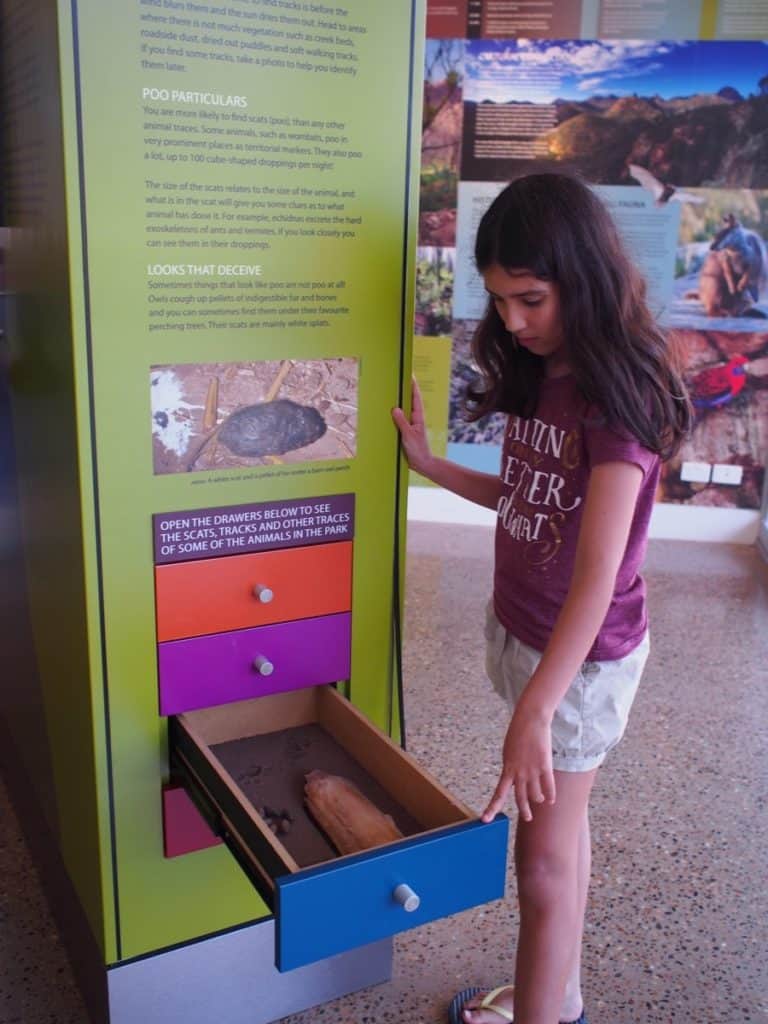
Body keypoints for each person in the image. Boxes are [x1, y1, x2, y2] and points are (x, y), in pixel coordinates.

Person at [392, 173, 692, 1024]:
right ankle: (557, 1001)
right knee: (564, 840)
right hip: (532, 639)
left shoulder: (616, 399)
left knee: (541, 866)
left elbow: (599, 573)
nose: (514, 321)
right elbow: (527, 496)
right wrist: (433, 466)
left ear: (583, 278)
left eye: (531, 299)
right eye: (500, 300)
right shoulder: (546, 369)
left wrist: (536, 709)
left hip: (577, 666)